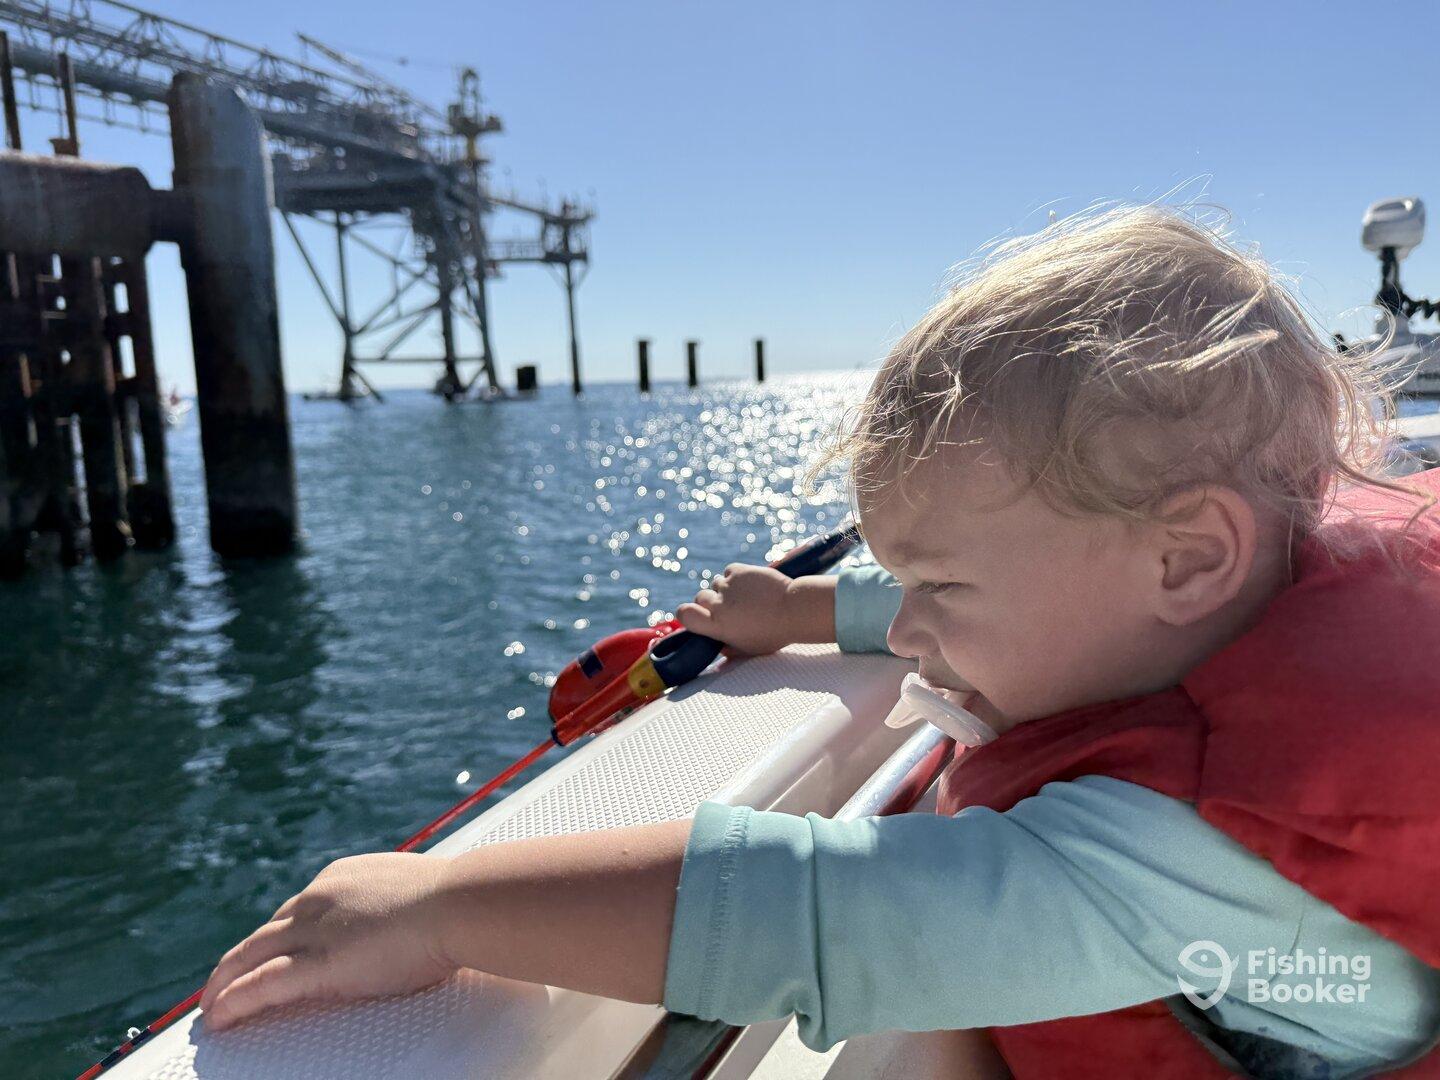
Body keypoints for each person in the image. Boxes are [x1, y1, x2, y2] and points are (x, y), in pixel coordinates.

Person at [198, 205, 1440, 1078]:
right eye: (892, 582)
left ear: (1186, 556)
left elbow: (819, 920)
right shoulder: (1232, 600)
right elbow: (1024, 606)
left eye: (935, 583)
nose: (904, 630)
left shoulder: (1201, 846)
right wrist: (799, 615)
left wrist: (440, 903)